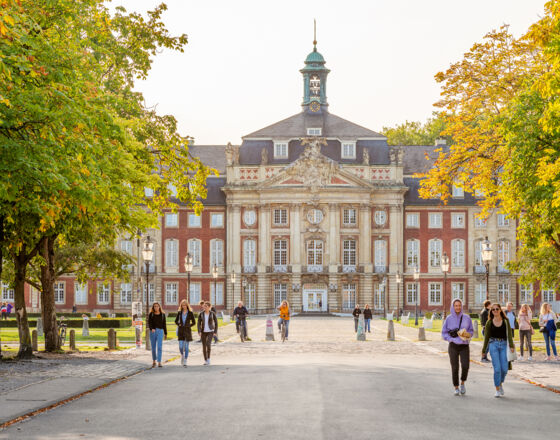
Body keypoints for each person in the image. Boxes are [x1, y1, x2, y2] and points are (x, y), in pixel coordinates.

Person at [481, 303, 514, 398]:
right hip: (493, 345)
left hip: (504, 345)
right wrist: (484, 351)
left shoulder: (505, 321)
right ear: (491, 311)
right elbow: (486, 338)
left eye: (497, 309)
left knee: (504, 368)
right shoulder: (489, 323)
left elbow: (509, 335)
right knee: (497, 369)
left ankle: (500, 383)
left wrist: (511, 345)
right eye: (493, 309)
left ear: (500, 310)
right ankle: (497, 389)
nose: (495, 311)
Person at [442, 299, 474, 396]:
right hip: (453, 346)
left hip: (464, 345)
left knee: (465, 366)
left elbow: (471, 331)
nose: (458, 307)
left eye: (459, 305)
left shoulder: (467, 318)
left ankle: (462, 382)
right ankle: (456, 387)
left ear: (461, 306)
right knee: (455, 367)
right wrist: (451, 339)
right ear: (453, 306)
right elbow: (444, 333)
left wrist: (467, 335)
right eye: (456, 305)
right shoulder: (448, 318)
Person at [175, 299, 195, 367]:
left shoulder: (190, 313)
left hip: (187, 331)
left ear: (187, 305)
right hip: (180, 331)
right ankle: (182, 355)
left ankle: (185, 359)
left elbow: (194, 322)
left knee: (186, 347)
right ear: (181, 305)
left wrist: (189, 326)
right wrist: (179, 324)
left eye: (185, 305)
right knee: (180, 347)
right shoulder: (179, 312)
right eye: (182, 305)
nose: (184, 306)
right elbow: (175, 321)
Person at [197, 301, 218, 366]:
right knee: (204, 346)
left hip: (210, 331)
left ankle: (208, 358)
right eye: (204, 306)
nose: (204, 307)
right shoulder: (201, 314)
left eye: (206, 306)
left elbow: (216, 323)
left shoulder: (212, 314)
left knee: (208, 344)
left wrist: (215, 332)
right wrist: (199, 331)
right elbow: (198, 323)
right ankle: (205, 360)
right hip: (203, 332)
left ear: (209, 307)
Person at [148, 302, 167, 368]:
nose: (156, 307)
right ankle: (154, 361)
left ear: (159, 307)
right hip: (153, 331)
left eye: (157, 306)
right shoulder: (151, 314)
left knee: (159, 347)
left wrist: (165, 333)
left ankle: (159, 362)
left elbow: (164, 324)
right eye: (155, 306)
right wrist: (152, 328)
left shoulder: (163, 315)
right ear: (153, 307)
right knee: (153, 348)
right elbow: (149, 323)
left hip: (160, 331)